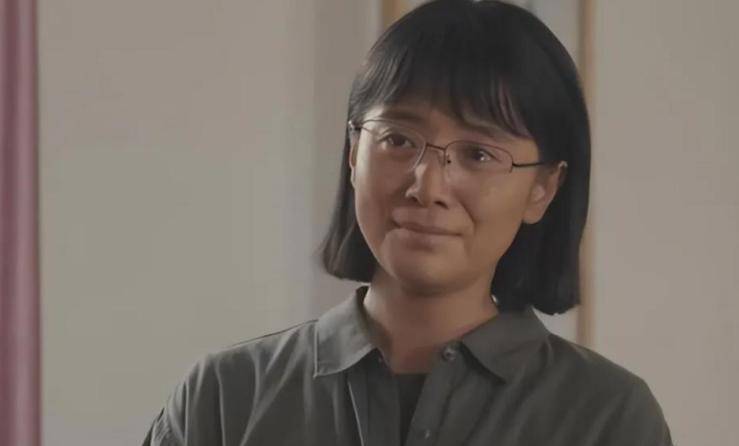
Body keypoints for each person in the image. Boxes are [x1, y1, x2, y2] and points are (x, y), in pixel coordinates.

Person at [143, 1, 673, 445]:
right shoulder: (224, 397)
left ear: (543, 189)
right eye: (398, 139)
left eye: (478, 154)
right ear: (353, 153)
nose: (428, 185)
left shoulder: (607, 417)